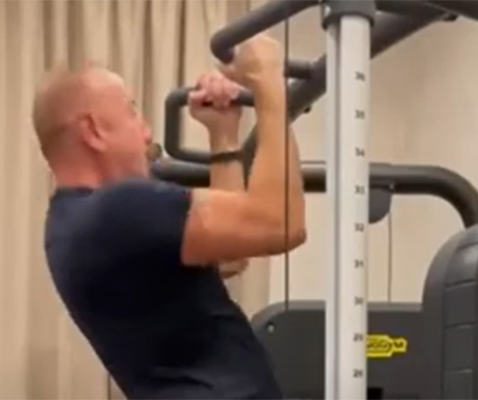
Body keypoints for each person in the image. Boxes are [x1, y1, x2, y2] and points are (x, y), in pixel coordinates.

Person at [34, 34, 306, 400]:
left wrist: (223, 136)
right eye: (132, 111)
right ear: (93, 131)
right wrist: (270, 87)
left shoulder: (71, 223)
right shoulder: (120, 210)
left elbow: (229, 256)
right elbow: (282, 223)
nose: (147, 133)